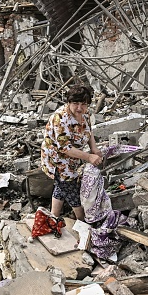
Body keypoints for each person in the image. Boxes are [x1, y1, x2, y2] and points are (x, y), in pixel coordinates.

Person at [41, 85, 103, 221]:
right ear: (68, 102)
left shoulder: (84, 113)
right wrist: (88, 156)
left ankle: (53, 217)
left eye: (83, 104)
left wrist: (94, 148)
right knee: (72, 190)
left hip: (73, 158)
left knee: (62, 187)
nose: (79, 108)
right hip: (58, 159)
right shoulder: (61, 118)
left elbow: (89, 130)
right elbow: (65, 148)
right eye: (75, 103)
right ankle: (83, 221)